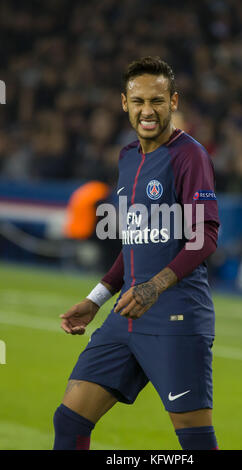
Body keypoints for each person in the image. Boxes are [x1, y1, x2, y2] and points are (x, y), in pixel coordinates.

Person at [52, 56, 220, 450]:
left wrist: (153, 288)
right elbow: (134, 242)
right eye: (139, 100)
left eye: (158, 101)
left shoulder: (189, 155)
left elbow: (205, 235)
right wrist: (97, 299)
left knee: (195, 441)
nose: (148, 110)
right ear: (124, 103)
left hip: (175, 316)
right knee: (70, 420)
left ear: (173, 102)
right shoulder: (128, 157)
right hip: (125, 316)